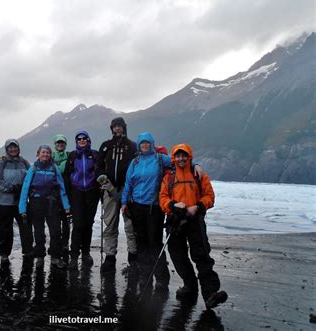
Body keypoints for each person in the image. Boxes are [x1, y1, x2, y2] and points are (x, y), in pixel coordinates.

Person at [159, 143, 227, 309]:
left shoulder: (199, 176)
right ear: (174, 158)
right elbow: (163, 198)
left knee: (201, 255)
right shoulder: (169, 178)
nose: (181, 159)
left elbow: (209, 196)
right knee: (177, 255)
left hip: (195, 220)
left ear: (189, 157)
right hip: (175, 221)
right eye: (178, 156)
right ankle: (190, 286)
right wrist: (173, 206)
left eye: (184, 156)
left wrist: (198, 206)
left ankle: (210, 293)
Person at [121, 132, 172, 290]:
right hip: (137, 206)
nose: (144, 145)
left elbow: (179, 161)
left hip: (154, 207)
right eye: (142, 143)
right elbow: (128, 183)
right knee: (141, 243)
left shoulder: (159, 158)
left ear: (151, 144)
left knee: (155, 243)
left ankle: (162, 277)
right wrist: (124, 201)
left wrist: (195, 165)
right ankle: (145, 275)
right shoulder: (135, 162)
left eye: (147, 143)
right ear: (139, 145)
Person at [19, 145, 71, 269]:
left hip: (51, 203)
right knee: (39, 232)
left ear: (50, 155)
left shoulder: (54, 168)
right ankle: (40, 256)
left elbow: (61, 187)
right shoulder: (33, 168)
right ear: (38, 154)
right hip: (36, 203)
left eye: (47, 153)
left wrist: (66, 205)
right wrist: (22, 208)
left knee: (56, 231)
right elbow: (25, 188)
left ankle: (55, 257)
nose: (45, 155)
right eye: (43, 152)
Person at [96, 117, 138, 273]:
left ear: (124, 128)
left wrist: (129, 187)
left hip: (128, 190)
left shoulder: (132, 146)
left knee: (130, 225)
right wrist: (104, 182)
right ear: (111, 128)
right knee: (110, 224)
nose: (117, 128)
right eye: (115, 126)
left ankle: (133, 257)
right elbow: (98, 166)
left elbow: (136, 168)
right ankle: (110, 256)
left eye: (120, 126)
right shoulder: (106, 146)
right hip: (109, 190)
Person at [0, 139, 33, 264]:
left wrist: (27, 190)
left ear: (18, 148)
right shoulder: (0, 163)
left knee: (26, 226)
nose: (13, 149)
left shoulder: (24, 162)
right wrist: (11, 187)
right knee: (5, 228)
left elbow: (32, 177)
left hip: (21, 201)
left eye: (15, 147)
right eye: (10, 148)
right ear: (6, 149)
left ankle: (28, 250)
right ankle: (4, 253)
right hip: (3, 202)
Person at [64, 131, 101, 268]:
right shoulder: (73, 156)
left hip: (92, 192)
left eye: (84, 138)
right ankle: (74, 256)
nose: (81, 140)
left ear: (88, 139)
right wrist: (68, 195)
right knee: (78, 224)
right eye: (79, 138)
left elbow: (100, 171)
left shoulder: (95, 154)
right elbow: (67, 175)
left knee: (88, 224)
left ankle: (86, 253)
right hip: (77, 192)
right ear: (76, 141)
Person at [52, 134, 71, 259]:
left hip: (67, 193)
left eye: (62, 143)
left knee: (66, 221)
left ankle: (65, 244)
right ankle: (55, 244)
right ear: (55, 144)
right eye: (58, 143)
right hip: (53, 194)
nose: (60, 145)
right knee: (54, 221)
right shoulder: (50, 157)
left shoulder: (70, 156)